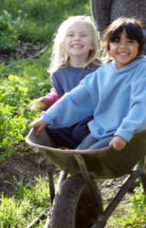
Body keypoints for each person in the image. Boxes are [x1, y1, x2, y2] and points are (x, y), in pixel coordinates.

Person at [29, 17, 146, 151]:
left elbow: (141, 104)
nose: (123, 46)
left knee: (91, 155)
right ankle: (80, 166)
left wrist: (124, 132)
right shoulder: (103, 72)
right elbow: (77, 98)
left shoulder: (142, 70)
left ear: (139, 46)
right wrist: (48, 118)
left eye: (130, 42)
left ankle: (90, 169)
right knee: (79, 153)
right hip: (102, 129)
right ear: (107, 45)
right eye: (116, 41)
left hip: (129, 132)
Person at [30, 15, 100, 148]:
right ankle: (76, 150)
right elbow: (58, 94)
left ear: (92, 44)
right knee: (49, 125)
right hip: (70, 116)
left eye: (83, 35)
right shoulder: (59, 71)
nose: (77, 38)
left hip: (91, 117)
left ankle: (81, 150)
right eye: (71, 35)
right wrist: (47, 100)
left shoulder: (100, 70)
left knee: (80, 132)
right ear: (63, 43)